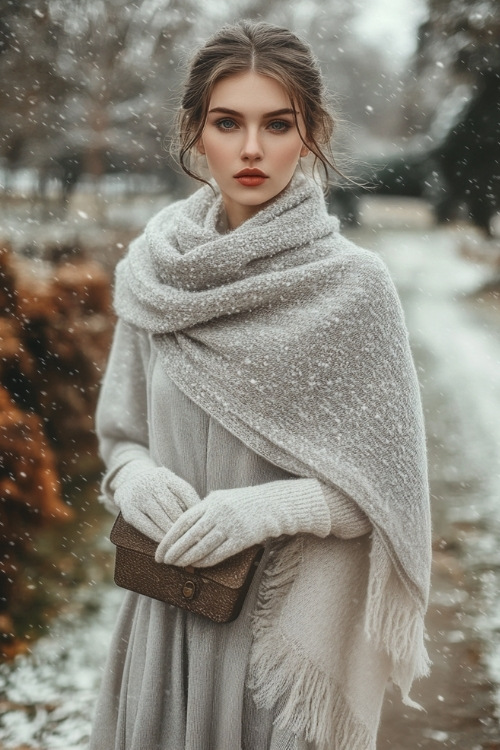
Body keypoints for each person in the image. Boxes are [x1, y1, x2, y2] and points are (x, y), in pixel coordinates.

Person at [89, 20, 431, 750]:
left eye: (277, 124)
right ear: (194, 132)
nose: (251, 149)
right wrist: (136, 476)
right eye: (227, 122)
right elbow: (120, 435)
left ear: (310, 135)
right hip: (167, 613)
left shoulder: (354, 289)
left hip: (277, 638)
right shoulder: (154, 274)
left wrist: (274, 506)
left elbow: (391, 487)